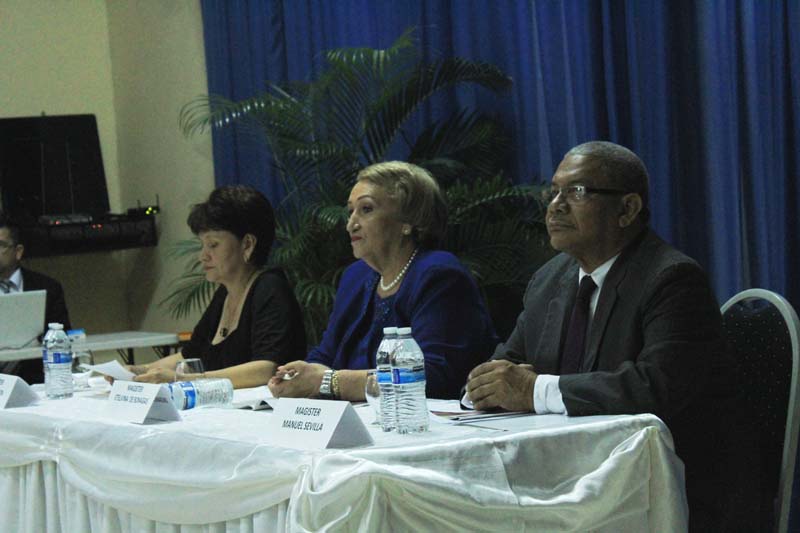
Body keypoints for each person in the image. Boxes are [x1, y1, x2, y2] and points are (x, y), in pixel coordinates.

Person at [464, 141, 748, 531]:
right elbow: (506, 366)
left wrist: (534, 390)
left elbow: (655, 388)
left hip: (661, 488)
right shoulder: (550, 278)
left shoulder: (671, 279)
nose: (556, 205)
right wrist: (486, 387)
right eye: (554, 192)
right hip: (566, 478)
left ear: (627, 209)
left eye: (576, 192)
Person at [268, 161, 497, 401]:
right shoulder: (356, 276)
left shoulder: (439, 275)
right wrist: (300, 375)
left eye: (366, 209)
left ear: (408, 221)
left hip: (429, 423)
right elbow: (326, 354)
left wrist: (328, 382)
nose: (350, 224)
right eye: (350, 211)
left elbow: (433, 377)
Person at [130, 185, 306, 388]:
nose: (202, 255)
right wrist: (139, 373)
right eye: (202, 245)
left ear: (247, 244)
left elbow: (265, 369)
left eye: (213, 245)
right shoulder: (224, 294)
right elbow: (189, 356)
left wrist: (187, 381)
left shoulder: (271, 289)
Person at [0, 212, 71, 384]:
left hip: (38, 380)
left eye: (0, 245)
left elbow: (63, 335)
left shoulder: (48, 287)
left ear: (18, 252)